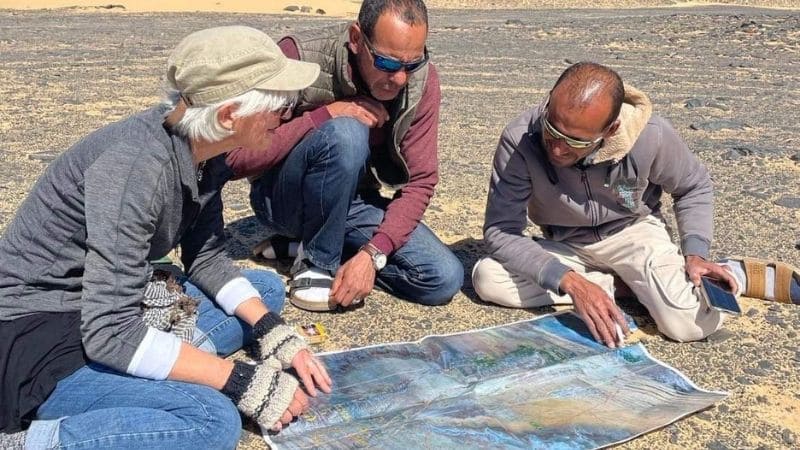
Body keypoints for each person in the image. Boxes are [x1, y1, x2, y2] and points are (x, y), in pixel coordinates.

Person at [0, 26, 332, 449]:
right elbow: (109, 332)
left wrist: (272, 331)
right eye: (281, 107)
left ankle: (160, 357)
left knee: (264, 293)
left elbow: (207, 256)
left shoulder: (204, 152)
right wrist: (242, 381)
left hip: (105, 306)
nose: (287, 116)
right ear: (229, 115)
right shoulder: (135, 169)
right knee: (211, 421)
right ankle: (33, 441)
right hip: (40, 336)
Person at [472, 62, 800, 347]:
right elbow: (501, 230)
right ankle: (623, 286)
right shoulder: (520, 138)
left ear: (610, 130)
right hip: (565, 242)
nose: (557, 150)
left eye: (575, 142)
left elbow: (693, 185)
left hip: (633, 233)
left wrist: (696, 251)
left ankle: (731, 274)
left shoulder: (650, 136)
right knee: (488, 279)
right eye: (552, 131)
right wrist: (572, 282)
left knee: (689, 324)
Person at [226, 0, 464, 312]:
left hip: (352, 203)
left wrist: (372, 255)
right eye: (389, 64)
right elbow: (234, 159)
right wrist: (324, 115)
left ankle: (312, 247)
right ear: (356, 39)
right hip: (284, 201)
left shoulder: (422, 82)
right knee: (347, 131)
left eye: (412, 64)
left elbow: (421, 181)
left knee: (440, 278)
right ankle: (315, 264)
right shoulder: (295, 58)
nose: (401, 79)